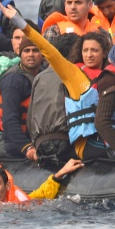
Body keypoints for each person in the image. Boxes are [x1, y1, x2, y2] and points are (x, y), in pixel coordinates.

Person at [2, 4, 115, 167]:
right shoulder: (73, 75)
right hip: (87, 146)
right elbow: (50, 52)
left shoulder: (111, 76)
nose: (89, 55)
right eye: (85, 50)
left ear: (104, 53)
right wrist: (21, 24)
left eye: (94, 51)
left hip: (107, 140)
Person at [0, 39, 44, 161]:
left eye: (35, 50)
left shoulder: (41, 75)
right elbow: (9, 120)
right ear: (20, 55)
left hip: (33, 138)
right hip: (14, 145)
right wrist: (27, 148)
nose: (31, 54)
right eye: (26, 51)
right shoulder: (13, 81)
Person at [25, 32, 81, 170]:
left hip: (40, 145)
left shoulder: (39, 78)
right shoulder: (74, 75)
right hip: (65, 142)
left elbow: (30, 118)